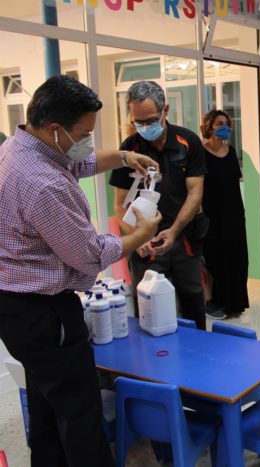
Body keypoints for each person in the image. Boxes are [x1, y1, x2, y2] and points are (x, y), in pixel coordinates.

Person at [0, 75, 160, 467]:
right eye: (85, 132)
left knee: (46, 404)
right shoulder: (42, 184)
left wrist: (123, 157)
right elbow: (89, 255)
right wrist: (141, 232)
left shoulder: (18, 148)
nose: (89, 140)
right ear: (55, 129)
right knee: (79, 410)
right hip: (43, 312)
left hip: (15, 308)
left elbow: (82, 160)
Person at [110, 81, 208, 330]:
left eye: (151, 120)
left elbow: (195, 194)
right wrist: (137, 238)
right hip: (145, 243)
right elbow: (120, 205)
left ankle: (196, 360)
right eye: (138, 122)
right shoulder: (129, 149)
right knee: (150, 310)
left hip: (183, 236)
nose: (145, 127)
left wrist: (174, 231)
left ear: (165, 111)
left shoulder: (187, 142)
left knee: (193, 305)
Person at [199, 109, 249, 320]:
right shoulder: (201, 153)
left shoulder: (230, 152)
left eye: (227, 123)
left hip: (233, 212)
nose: (224, 127)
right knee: (213, 258)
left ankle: (234, 301)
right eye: (219, 123)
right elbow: (197, 186)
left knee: (236, 256)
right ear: (209, 126)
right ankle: (210, 301)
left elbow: (236, 181)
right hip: (211, 214)